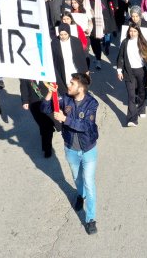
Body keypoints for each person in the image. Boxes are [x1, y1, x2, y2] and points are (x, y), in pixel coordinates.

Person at [45, 73, 99, 235]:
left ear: (80, 88)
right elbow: (45, 108)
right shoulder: (65, 99)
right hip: (71, 149)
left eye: (72, 84)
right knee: (77, 178)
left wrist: (65, 119)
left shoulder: (92, 103)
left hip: (88, 149)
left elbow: (86, 126)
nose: (68, 86)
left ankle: (90, 219)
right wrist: (50, 93)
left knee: (89, 182)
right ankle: (80, 195)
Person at [114, 25, 147, 127]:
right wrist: (119, 71)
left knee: (141, 91)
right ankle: (132, 119)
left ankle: (141, 108)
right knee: (131, 96)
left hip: (141, 71)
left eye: (134, 31)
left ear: (138, 32)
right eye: (130, 31)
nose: (132, 33)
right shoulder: (125, 42)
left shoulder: (143, 43)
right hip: (128, 71)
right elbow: (121, 57)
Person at [20, 79, 57, 158]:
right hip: (34, 103)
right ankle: (45, 138)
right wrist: (25, 100)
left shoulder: (46, 70)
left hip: (48, 99)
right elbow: (23, 87)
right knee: (43, 125)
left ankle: (47, 148)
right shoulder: (26, 73)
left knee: (47, 126)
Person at [52, 23, 90, 95]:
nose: (63, 37)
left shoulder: (76, 41)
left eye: (65, 34)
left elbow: (81, 56)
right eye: (61, 35)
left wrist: (86, 70)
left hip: (75, 68)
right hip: (63, 69)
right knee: (66, 88)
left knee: (77, 86)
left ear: (69, 33)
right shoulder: (54, 42)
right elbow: (54, 58)